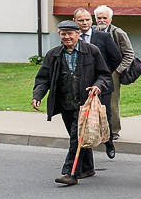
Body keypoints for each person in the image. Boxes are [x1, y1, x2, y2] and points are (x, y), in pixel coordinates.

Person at [31, 20, 113, 185]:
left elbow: (105, 75)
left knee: (77, 138)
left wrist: (97, 86)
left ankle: (70, 173)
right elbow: (43, 78)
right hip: (65, 104)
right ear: (59, 35)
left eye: (70, 33)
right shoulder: (53, 54)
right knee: (77, 136)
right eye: (63, 33)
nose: (67, 37)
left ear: (77, 34)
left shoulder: (91, 51)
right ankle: (88, 167)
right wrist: (37, 95)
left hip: (85, 104)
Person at [72, 7, 122, 158]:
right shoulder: (73, 37)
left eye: (87, 20)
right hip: (81, 85)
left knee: (104, 114)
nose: (85, 23)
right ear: (75, 21)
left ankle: (109, 142)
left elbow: (116, 57)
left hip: (102, 84)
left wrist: (105, 72)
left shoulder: (103, 37)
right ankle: (85, 148)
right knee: (83, 116)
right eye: (81, 20)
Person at [94, 4, 135, 139]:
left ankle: (114, 130)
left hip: (112, 72)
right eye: (99, 17)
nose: (102, 20)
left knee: (112, 103)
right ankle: (98, 129)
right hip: (95, 72)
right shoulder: (93, 32)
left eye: (105, 18)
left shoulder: (118, 33)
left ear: (110, 18)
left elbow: (129, 54)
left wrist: (118, 71)